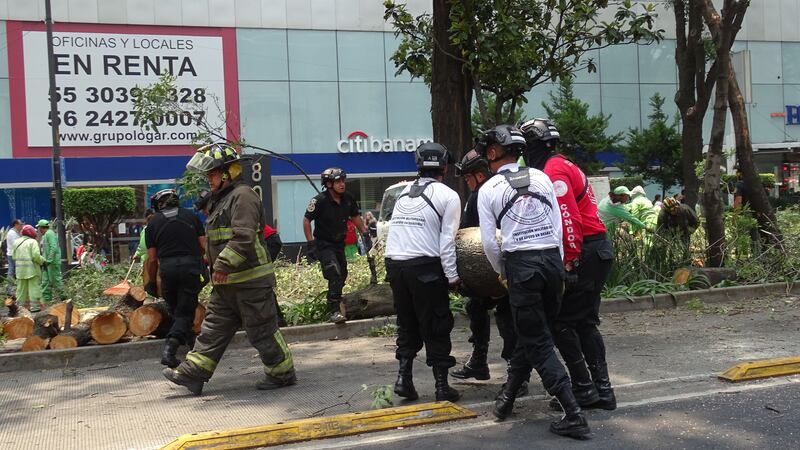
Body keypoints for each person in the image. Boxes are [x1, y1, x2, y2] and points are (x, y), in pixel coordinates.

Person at [476, 124, 589, 438]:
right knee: (535, 332)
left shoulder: (488, 189)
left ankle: (573, 412)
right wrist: (559, 264)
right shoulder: (540, 177)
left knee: (537, 341)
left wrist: (504, 271)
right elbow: (557, 227)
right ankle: (506, 400)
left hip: (522, 266)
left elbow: (488, 244)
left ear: (493, 152)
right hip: (552, 263)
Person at [163, 142, 295, 396]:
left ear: (227, 173)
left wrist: (222, 264)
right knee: (213, 328)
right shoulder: (221, 200)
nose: (208, 180)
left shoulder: (243, 196)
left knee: (262, 331)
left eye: (212, 174)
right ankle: (195, 373)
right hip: (227, 283)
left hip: (251, 281)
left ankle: (282, 372)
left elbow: (243, 237)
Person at [520, 118, 617, 413]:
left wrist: (570, 262)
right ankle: (601, 390)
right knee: (584, 322)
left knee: (562, 322)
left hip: (585, 249)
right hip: (595, 248)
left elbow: (567, 217)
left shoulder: (554, 170)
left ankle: (584, 388)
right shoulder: (563, 164)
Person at [385, 142, 462, 403]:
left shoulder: (404, 192)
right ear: (444, 166)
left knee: (407, 324)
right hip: (426, 267)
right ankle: (442, 387)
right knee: (436, 325)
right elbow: (447, 241)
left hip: (395, 266)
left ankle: (403, 379)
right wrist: (452, 276)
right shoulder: (449, 195)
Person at [450, 149, 526, 396]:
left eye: (467, 177)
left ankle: (517, 375)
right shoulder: (505, 188)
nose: (466, 182)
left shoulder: (481, 195)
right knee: (478, 309)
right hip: (506, 264)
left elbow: (475, 236)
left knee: (505, 317)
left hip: (495, 267)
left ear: (478, 175)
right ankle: (480, 362)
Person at [144, 189, 206, 368]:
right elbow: (203, 246)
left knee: (177, 310)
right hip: (190, 268)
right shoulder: (192, 217)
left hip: (167, 271)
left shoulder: (153, 223)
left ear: (158, 205)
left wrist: (150, 283)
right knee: (185, 312)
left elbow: (152, 259)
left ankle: (193, 346)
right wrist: (199, 261)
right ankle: (169, 350)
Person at [303, 168, 371, 323]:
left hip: (339, 244)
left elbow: (355, 217)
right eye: (337, 182)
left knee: (342, 274)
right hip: (324, 244)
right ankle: (334, 311)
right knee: (334, 272)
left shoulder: (348, 198)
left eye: (343, 181)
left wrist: (365, 234)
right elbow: (306, 221)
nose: (342, 184)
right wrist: (310, 243)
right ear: (328, 184)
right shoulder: (318, 200)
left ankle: (335, 302)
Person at [11, 225, 45, 311]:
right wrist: (42, 261)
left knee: (21, 290)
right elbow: (36, 256)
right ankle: (35, 307)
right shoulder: (32, 242)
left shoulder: (16, 242)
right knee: (34, 289)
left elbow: (13, 257)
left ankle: (20, 308)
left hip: (19, 271)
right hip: (31, 270)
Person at [37, 219, 64, 304]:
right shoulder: (46, 235)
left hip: (52, 262)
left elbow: (53, 247)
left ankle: (64, 298)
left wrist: (49, 260)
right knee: (45, 281)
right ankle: (46, 300)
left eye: (39, 228)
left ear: (41, 228)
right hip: (47, 262)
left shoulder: (49, 234)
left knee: (55, 280)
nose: (39, 230)